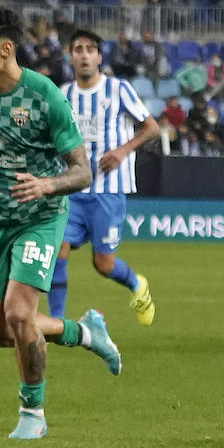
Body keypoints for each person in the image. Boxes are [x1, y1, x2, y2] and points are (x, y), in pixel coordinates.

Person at [0, 7, 120, 442]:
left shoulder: (44, 96)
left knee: (21, 314)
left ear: (5, 50)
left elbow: (82, 172)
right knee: (1, 333)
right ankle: (83, 332)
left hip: (39, 217)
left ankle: (32, 411)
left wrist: (45, 185)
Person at [52, 29, 159, 329]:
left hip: (108, 190)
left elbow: (151, 128)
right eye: (78, 49)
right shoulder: (63, 95)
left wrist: (122, 151)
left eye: (90, 49)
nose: (84, 55)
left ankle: (137, 285)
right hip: (71, 188)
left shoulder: (118, 89)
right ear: (70, 56)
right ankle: (56, 323)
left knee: (103, 264)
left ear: (99, 57)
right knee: (57, 249)